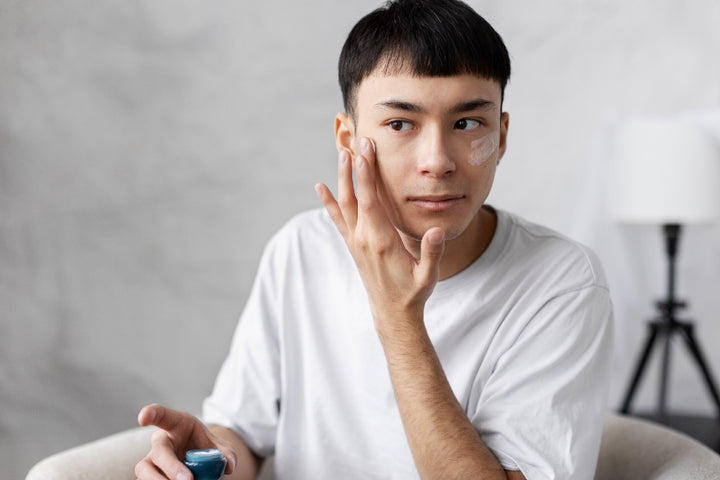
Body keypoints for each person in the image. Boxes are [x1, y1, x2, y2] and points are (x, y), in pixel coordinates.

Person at [135, 0, 614, 479]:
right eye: (400, 124)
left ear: (502, 136)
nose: (437, 161)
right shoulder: (301, 249)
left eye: (467, 123)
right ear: (347, 138)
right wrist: (213, 460)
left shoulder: (562, 283)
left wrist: (398, 317)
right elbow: (244, 432)